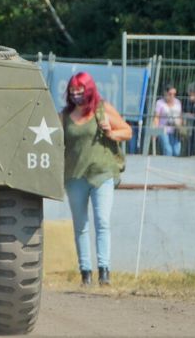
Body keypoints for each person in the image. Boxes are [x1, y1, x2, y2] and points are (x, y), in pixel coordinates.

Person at [61, 72, 133, 287]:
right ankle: (85, 272)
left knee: (102, 221)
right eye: (72, 92)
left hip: (102, 173)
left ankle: (104, 271)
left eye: (80, 91)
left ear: (89, 90)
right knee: (80, 225)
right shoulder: (64, 115)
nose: (76, 95)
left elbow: (127, 131)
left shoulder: (102, 109)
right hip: (74, 175)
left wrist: (111, 132)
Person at [153, 85, 183, 157]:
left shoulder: (178, 102)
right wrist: (154, 131)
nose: (172, 96)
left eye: (174, 94)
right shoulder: (159, 103)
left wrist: (180, 126)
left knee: (176, 151)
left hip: (175, 130)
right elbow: (156, 117)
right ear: (165, 93)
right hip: (163, 129)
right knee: (168, 150)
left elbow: (180, 116)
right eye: (170, 94)